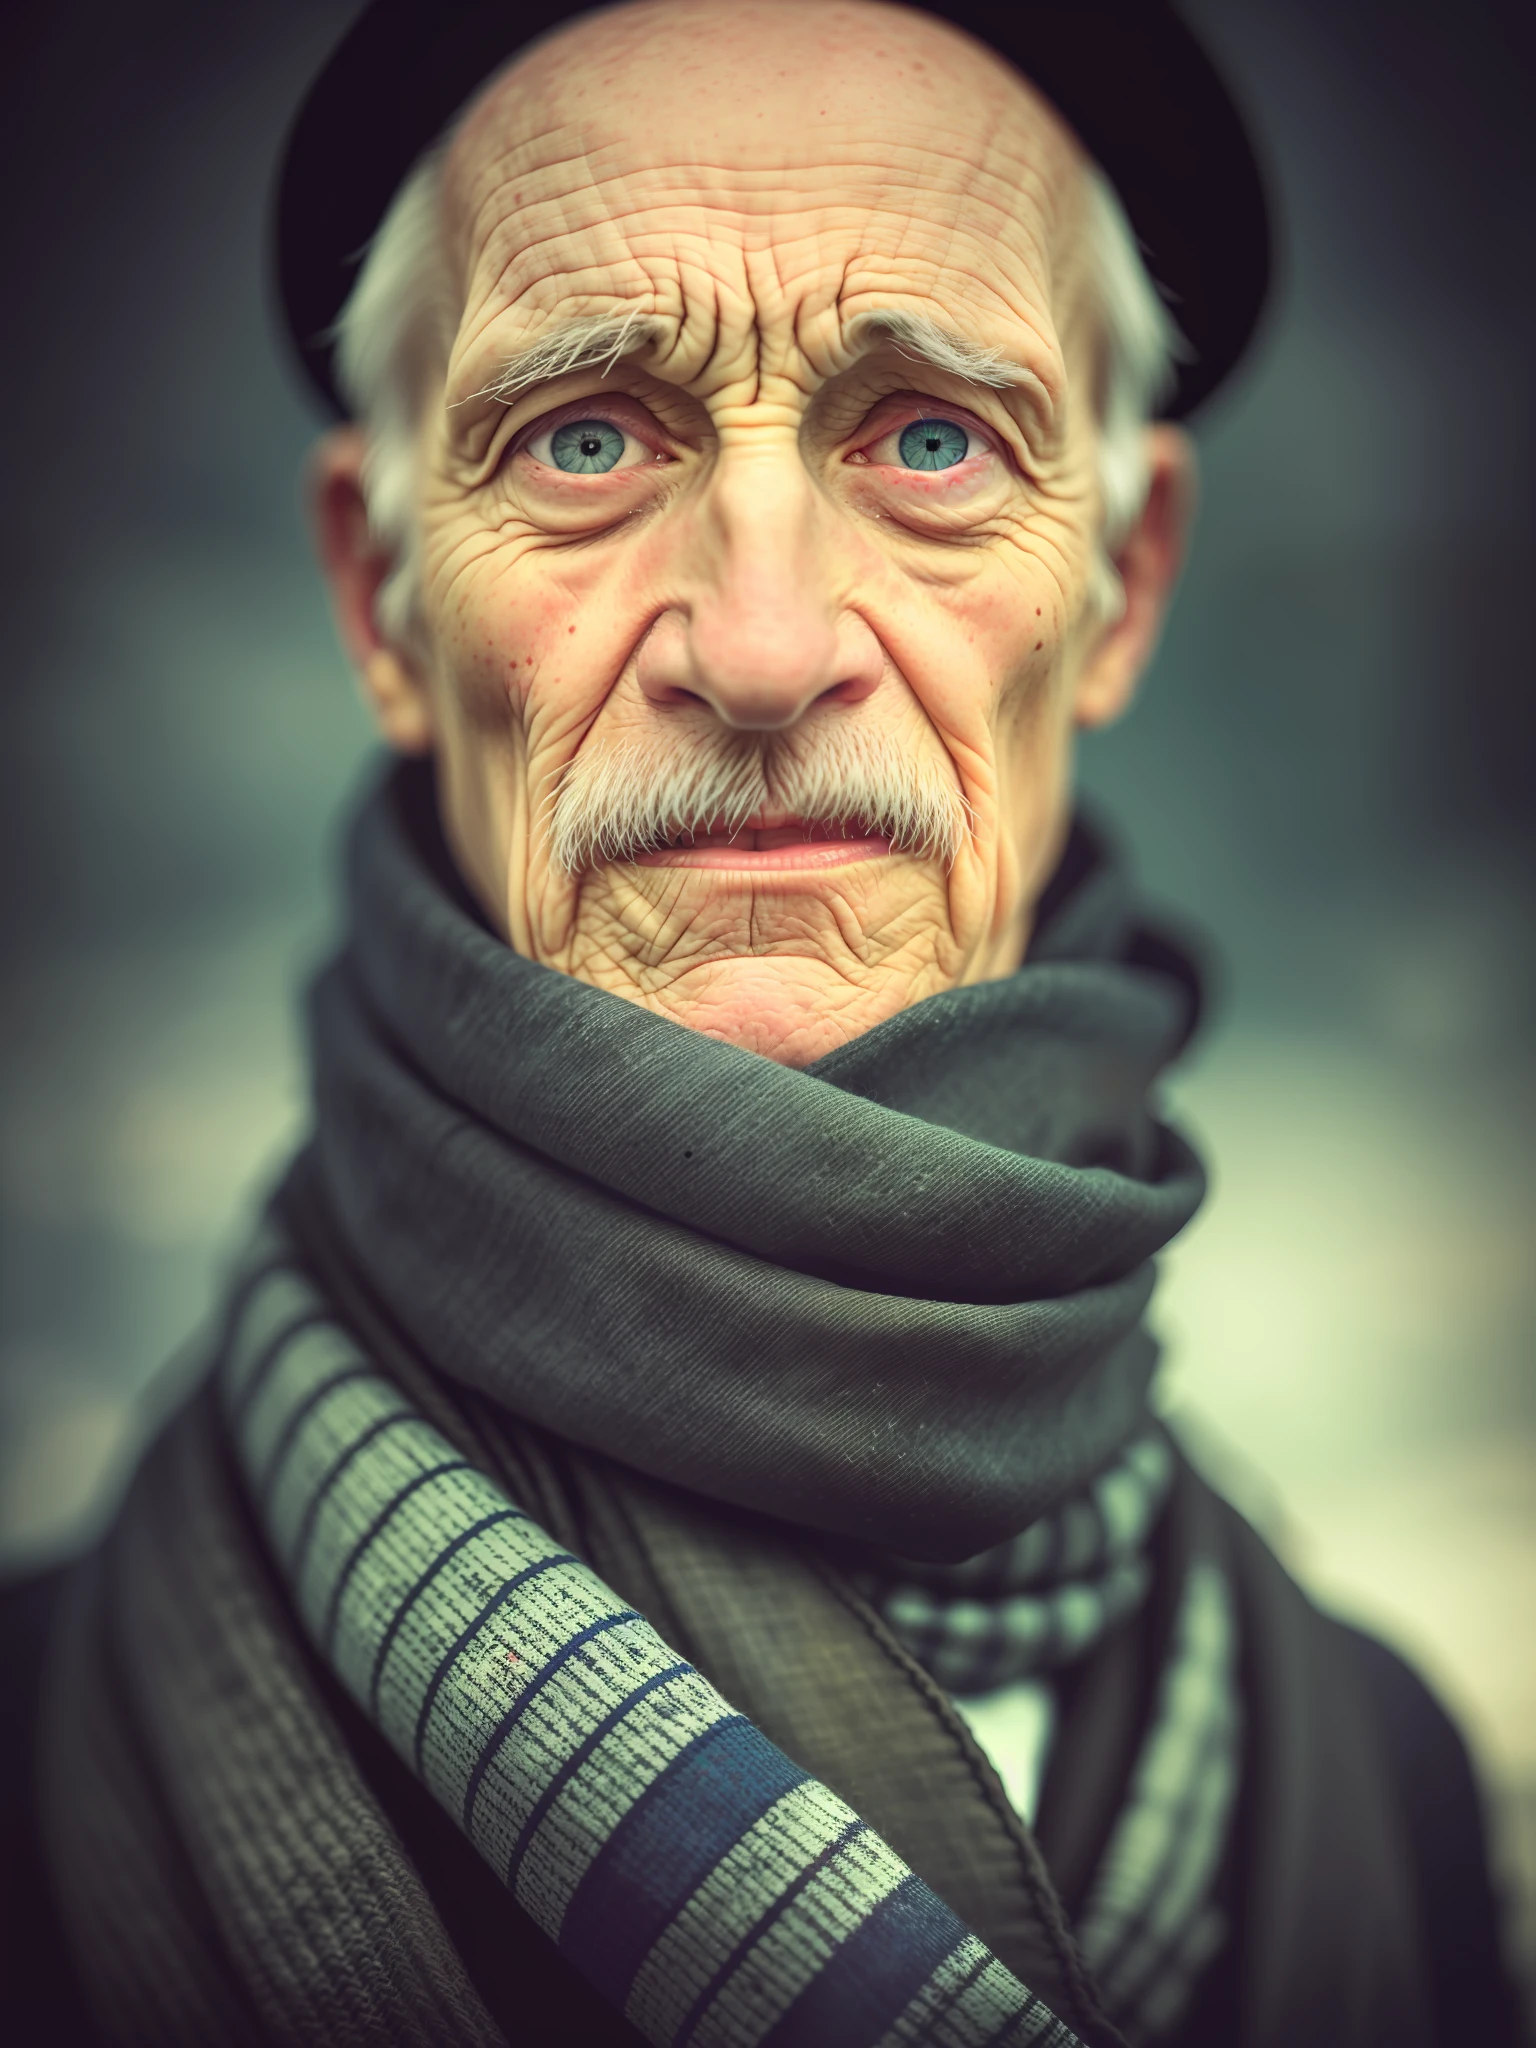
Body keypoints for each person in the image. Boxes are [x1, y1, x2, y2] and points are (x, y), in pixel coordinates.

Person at [2, 2, 1524, 2043]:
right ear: (380, 597)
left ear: (1127, 583)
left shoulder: (1384, 1788)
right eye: (587, 436)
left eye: (927, 438)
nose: (766, 644)